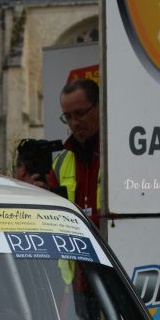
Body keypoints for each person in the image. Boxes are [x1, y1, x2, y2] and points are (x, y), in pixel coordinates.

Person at [16, 77, 100, 226]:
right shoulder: (61, 162)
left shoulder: (117, 154)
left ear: (100, 106)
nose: (74, 123)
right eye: (67, 117)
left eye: (80, 113)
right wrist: (44, 195)